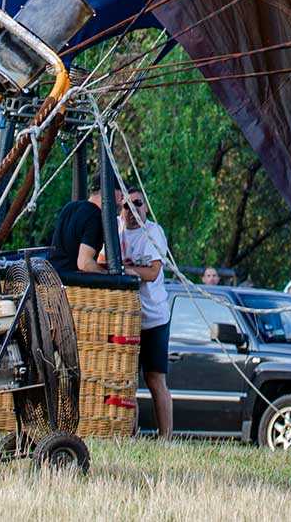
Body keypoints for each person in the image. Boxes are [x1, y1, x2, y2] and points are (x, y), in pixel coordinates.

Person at [111, 190, 171, 438]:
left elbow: (152, 273)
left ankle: (166, 436)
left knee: (155, 379)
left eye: (137, 203)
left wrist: (125, 269)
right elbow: (101, 260)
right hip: (126, 318)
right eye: (126, 205)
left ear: (145, 206)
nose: (132, 210)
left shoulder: (153, 232)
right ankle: (129, 434)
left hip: (153, 318)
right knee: (127, 380)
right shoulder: (114, 228)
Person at [47, 185, 108, 275]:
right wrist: (107, 274)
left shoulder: (69, 207)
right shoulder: (95, 215)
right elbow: (84, 263)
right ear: (109, 190)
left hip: (53, 280)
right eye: (120, 191)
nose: (122, 198)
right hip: (74, 285)